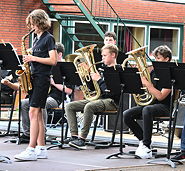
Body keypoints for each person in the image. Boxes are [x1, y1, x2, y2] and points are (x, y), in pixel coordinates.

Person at [1, 42, 73, 143]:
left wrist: (54, 84)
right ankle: (27, 134)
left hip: (56, 98)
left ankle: (42, 134)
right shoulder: (46, 66)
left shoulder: (65, 67)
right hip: (42, 93)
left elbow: (69, 91)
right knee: (24, 103)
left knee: (41, 103)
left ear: (60, 54)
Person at [14, 9, 57, 161]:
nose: (31, 26)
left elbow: (53, 61)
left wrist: (33, 58)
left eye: (33, 23)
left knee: (33, 112)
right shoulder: (36, 39)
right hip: (35, 77)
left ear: (40, 22)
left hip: (42, 79)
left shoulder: (48, 38)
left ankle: (30, 149)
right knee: (37, 114)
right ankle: (41, 148)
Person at [65, 44, 120, 149]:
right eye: (102, 55)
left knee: (89, 106)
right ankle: (74, 136)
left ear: (113, 55)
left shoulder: (117, 70)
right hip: (99, 99)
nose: (102, 58)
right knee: (69, 106)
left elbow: (112, 92)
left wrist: (99, 79)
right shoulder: (102, 70)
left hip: (112, 101)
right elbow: (94, 89)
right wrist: (87, 76)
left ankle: (82, 139)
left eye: (104, 55)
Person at [123, 45, 172, 159]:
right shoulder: (153, 72)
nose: (155, 61)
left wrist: (148, 85)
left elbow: (160, 96)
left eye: (158, 58)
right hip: (152, 105)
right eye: (155, 58)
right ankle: (143, 141)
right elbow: (145, 89)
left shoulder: (170, 74)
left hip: (164, 107)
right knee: (127, 114)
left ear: (167, 59)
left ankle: (146, 145)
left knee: (147, 109)